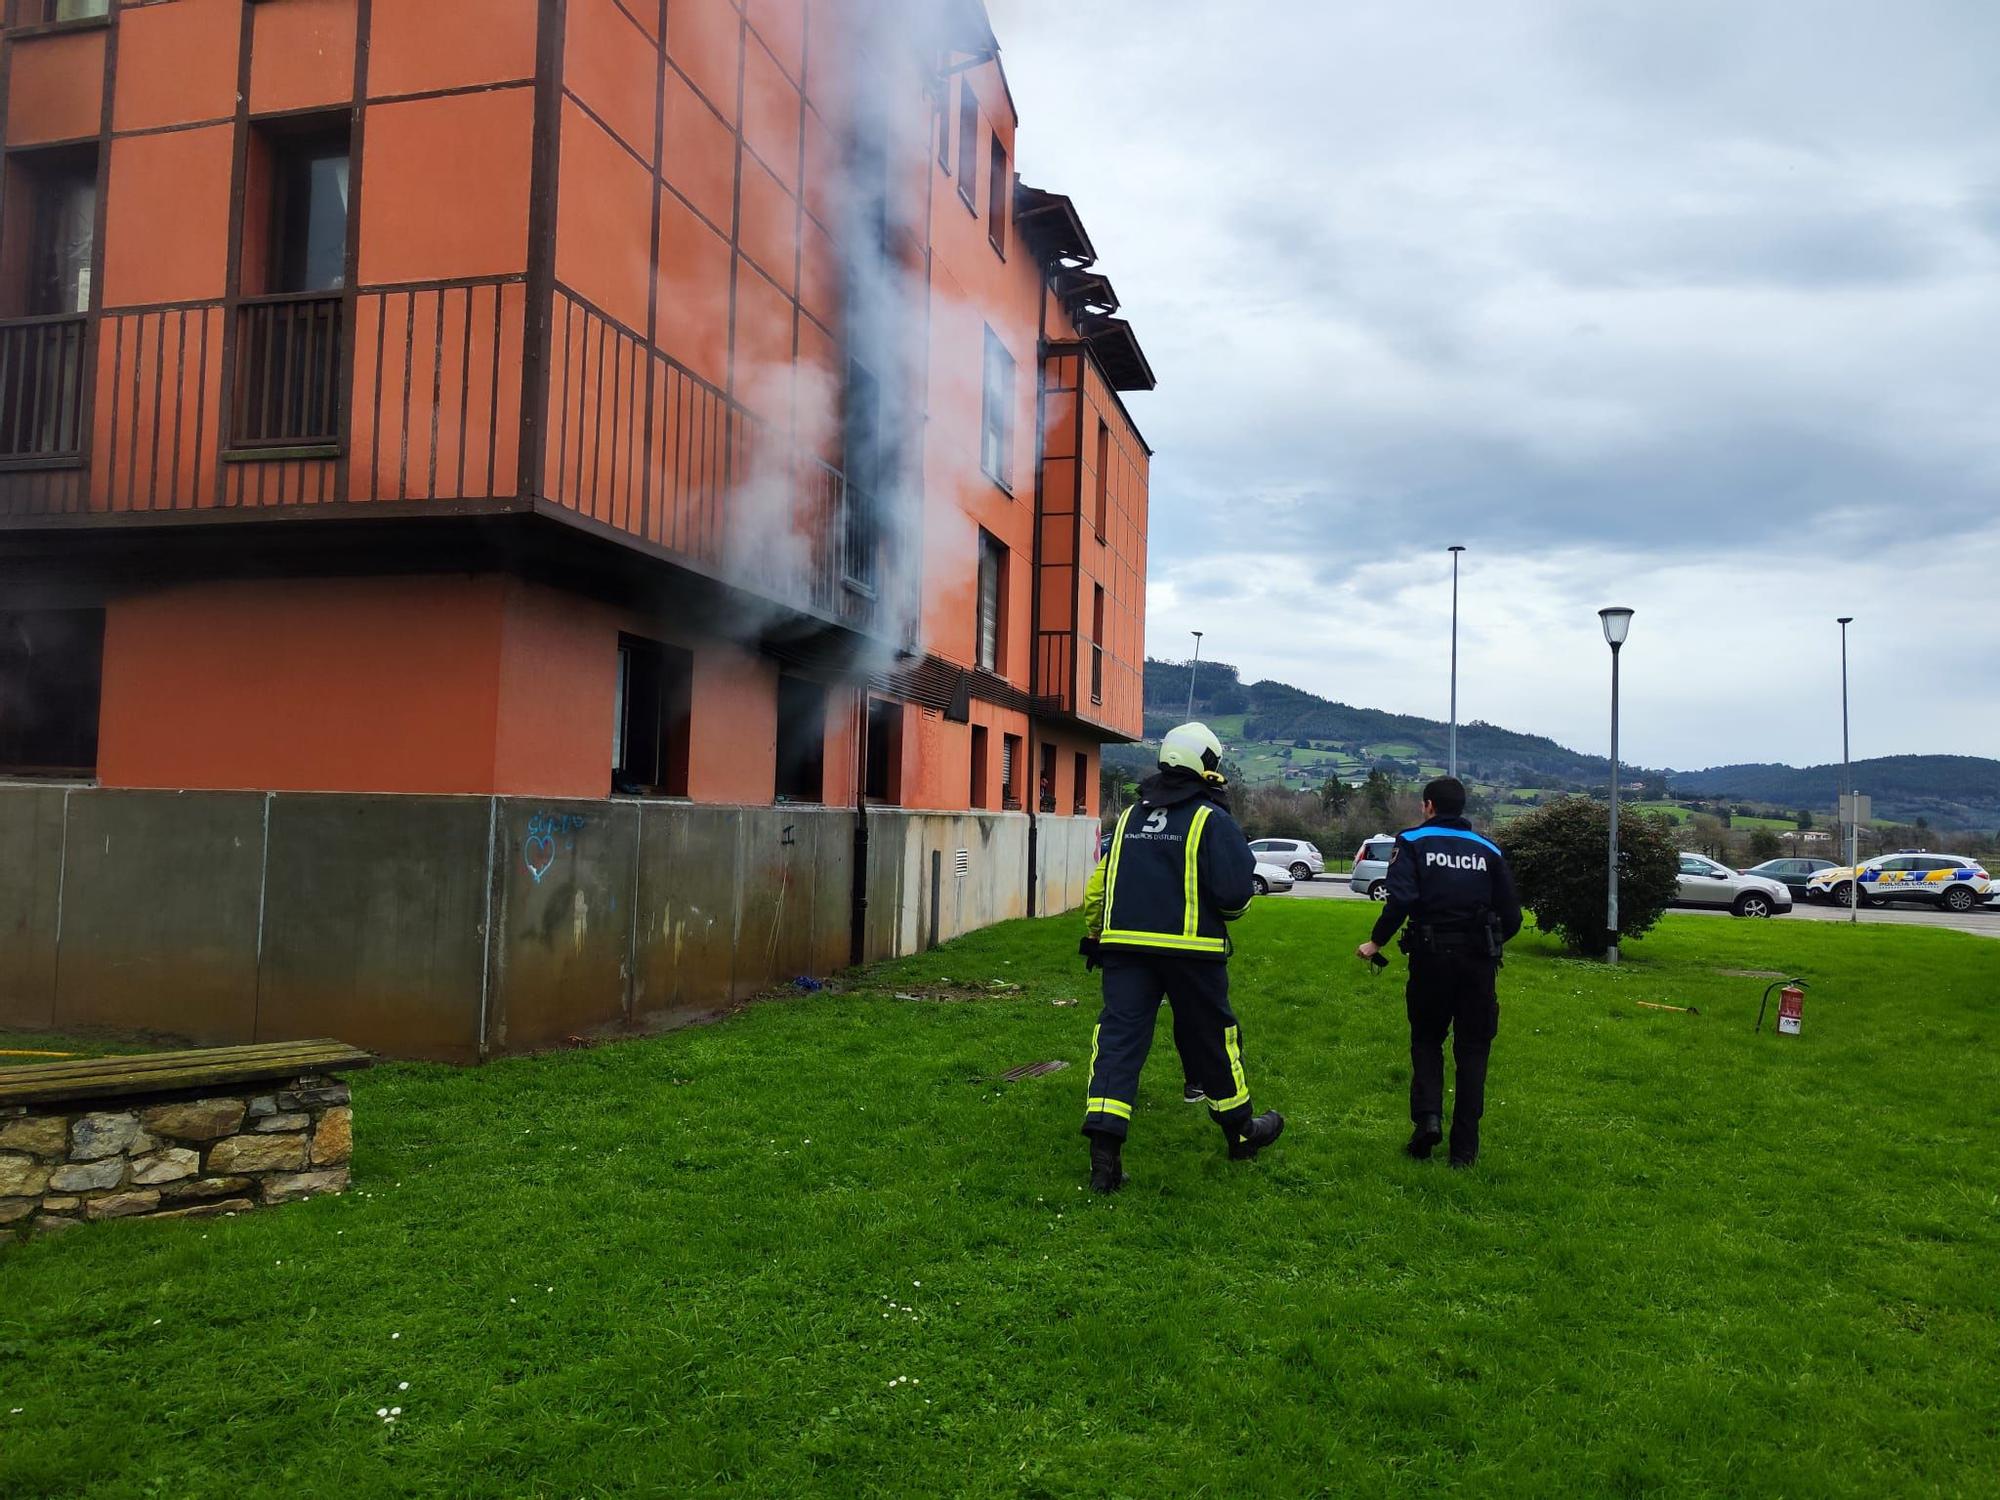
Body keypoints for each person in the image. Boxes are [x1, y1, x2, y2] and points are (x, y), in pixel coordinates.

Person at [1076, 722, 1284, 1192]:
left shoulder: (1129, 817)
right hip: (1192, 954)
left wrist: (1099, 933)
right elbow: (1234, 898)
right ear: (1207, 766)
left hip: (1125, 951)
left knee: (1118, 1042)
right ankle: (1242, 1134)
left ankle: (1104, 1159)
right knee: (1214, 1041)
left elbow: (1105, 884)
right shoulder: (1212, 820)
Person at [1355, 776, 1521, 1168]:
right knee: (1473, 1051)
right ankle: (1465, 1151)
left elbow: (1401, 900)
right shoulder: (1489, 850)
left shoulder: (1412, 842)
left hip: (1430, 960)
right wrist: (1488, 942)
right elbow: (1512, 915)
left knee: (1427, 1040)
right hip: (1478, 964)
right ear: (1461, 807)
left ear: (1428, 805)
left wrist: (1376, 941)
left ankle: (1427, 1120)